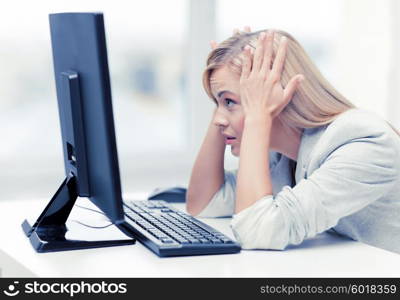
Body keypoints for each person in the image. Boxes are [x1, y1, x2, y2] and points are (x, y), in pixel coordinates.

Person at [186, 28, 400, 254]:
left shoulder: (364, 143)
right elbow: (203, 202)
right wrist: (221, 92)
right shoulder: (281, 154)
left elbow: (257, 231)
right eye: (217, 103)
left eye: (230, 102)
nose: (218, 120)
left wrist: (258, 116)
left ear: (275, 95)